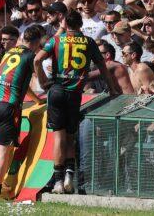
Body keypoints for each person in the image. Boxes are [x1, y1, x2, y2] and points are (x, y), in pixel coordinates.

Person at [35, 10, 118, 194]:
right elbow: (102, 66)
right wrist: (112, 89)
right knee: (71, 138)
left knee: (58, 137)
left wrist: (42, 81)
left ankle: (57, 182)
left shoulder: (56, 40)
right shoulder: (88, 42)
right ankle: (68, 178)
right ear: (80, 24)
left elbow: (37, 59)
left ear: (65, 24)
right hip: (75, 93)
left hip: (56, 90)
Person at [0, 24, 45, 200]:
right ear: (36, 42)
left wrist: (36, 100)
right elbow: (37, 81)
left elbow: (21, 84)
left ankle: (0, 182)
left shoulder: (9, 52)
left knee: (5, 147)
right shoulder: (30, 56)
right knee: (4, 150)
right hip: (9, 107)